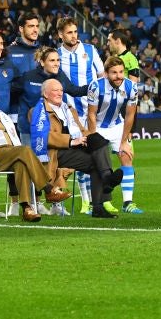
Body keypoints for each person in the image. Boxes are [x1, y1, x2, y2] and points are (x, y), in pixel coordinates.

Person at [0, 81, 71, 222]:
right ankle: (48, 189)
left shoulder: (1, 114)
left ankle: (26, 208)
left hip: (9, 153)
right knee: (24, 151)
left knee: (21, 163)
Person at [11, 46, 88, 215]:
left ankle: (54, 203)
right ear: (41, 62)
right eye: (52, 60)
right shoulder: (28, 77)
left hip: (52, 130)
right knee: (32, 165)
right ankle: (33, 203)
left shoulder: (60, 76)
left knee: (52, 164)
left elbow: (74, 90)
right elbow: (11, 93)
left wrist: (95, 86)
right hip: (28, 128)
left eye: (58, 60)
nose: (56, 63)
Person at [29, 79, 122, 219]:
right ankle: (107, 179)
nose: (60, 93)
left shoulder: (68, 109)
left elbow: (81, 129)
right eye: (55, 90)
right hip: (55, 152)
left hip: (73, 148)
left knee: (98, 141)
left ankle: (98, 205)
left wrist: (86, 138)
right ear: (45, 94)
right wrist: (71, 141)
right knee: (98, 157)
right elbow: (44, 137)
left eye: (61, 90)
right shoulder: (38, 111)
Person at [57, 17, 104, 212]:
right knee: (82, 152)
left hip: (93, 110)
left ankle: (97, 199)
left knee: (97, 151)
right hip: (71, 111)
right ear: (60, 35)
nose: (74, 36)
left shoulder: (90, 50)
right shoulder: (57, 55)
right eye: (69, 32)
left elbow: (101, 75)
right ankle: (86, 201)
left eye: (75, 32)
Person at [87, 56, 142, 215]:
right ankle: (93, 204)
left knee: (126, 156)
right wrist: (92, 136)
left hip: (117, 125)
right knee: (95, 163)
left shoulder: (131, 87)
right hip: (97, 126)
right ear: (106, 73)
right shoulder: (96, 86)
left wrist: (124, 141)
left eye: (120, 72)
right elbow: (91, 114)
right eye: (113, 73)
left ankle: (128, 203)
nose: (118, 76)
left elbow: (130, 115)